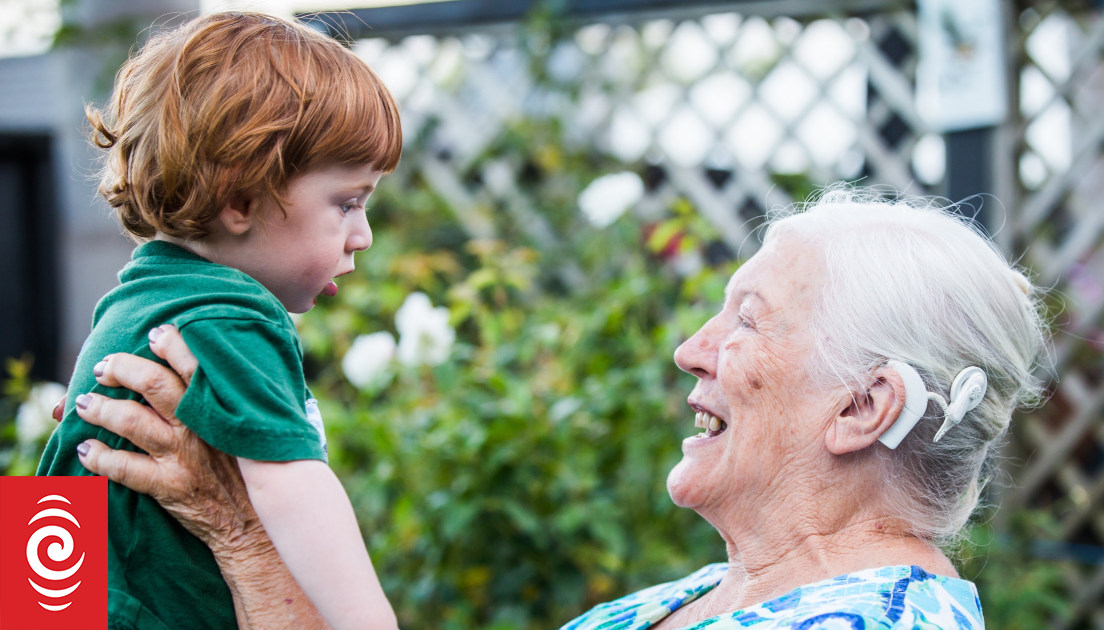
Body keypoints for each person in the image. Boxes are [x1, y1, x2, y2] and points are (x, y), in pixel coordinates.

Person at [67, 189, 1047, 628]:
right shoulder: (702, 599)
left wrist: (243, 533)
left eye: (746, 320)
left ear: (864, 407)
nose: (691, 348)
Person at [38, 11, 402, 630]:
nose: (362, 235)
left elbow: (54, 491)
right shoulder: (230, 317)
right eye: (346, 203)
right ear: (241, 201)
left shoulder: (137, 299)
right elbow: (291, 489)